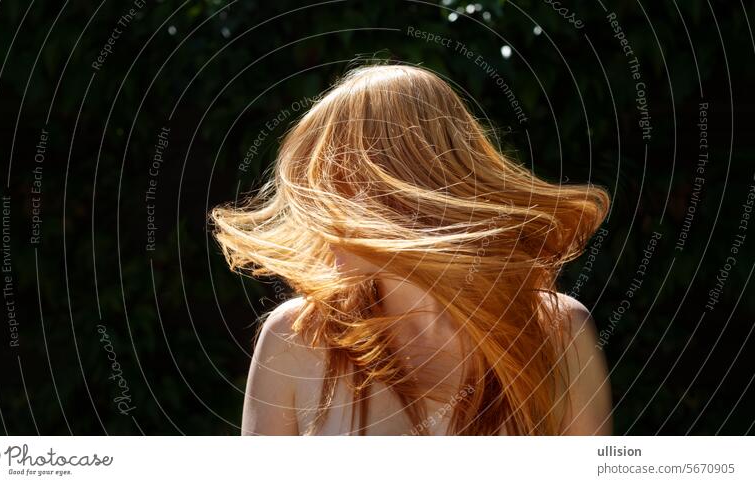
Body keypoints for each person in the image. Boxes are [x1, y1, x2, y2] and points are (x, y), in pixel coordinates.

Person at [211, 64, 612, 435]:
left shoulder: (556, 333)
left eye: (335, 187)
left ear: (410, 190)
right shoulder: (295, 339)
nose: (316, 212)